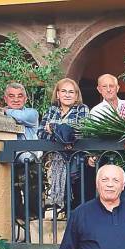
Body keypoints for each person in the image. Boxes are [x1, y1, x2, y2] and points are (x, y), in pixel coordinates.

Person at [39, 78, 90, 207]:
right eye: (63, 91)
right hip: (57, 162)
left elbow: (81, 131)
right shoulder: (52, 110)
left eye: (71, 92)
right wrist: (63, 135)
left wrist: (53, 128)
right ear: (58, 94)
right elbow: (41, 133)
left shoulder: (82, 109)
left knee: (79, 198)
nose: (67, 95)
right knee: (64, 198)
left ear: (76, 95)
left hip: (78, 162)